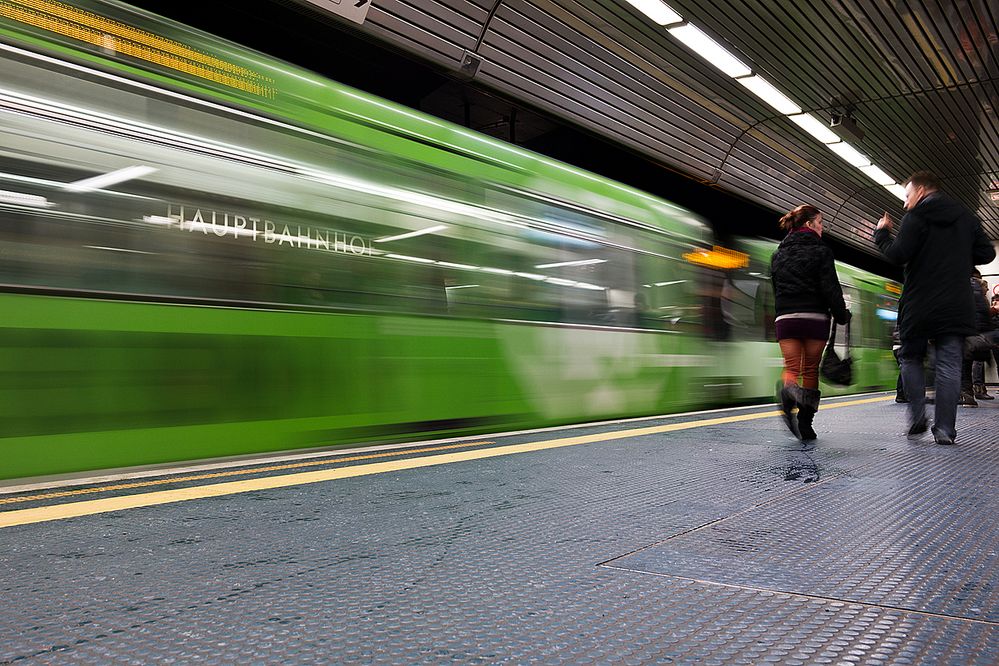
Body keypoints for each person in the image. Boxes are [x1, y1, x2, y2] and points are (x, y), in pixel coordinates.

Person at [873, 171, 995, 446]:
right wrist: (959, 250)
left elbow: (897, 254)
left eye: (907, 196)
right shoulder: (965, 217)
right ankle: (944, 431)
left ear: (921, 191)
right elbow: (987, 253)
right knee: (950, 365)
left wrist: (881, 233)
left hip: (920, 302)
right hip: (955, 303)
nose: (905, 203)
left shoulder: (916, 218)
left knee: (910, 357)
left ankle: (917, 416)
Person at [771, 204, 850, 441]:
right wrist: (841, 313)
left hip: (786, 318)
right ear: (809, 224)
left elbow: (776, 289)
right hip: (814, 318)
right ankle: (806, 423)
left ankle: (787, 391)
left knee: (792, 367)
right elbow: (830, 288)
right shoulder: (822, 251)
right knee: (810, 370)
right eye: (821, 222)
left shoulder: (778, 253)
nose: (822, 227)